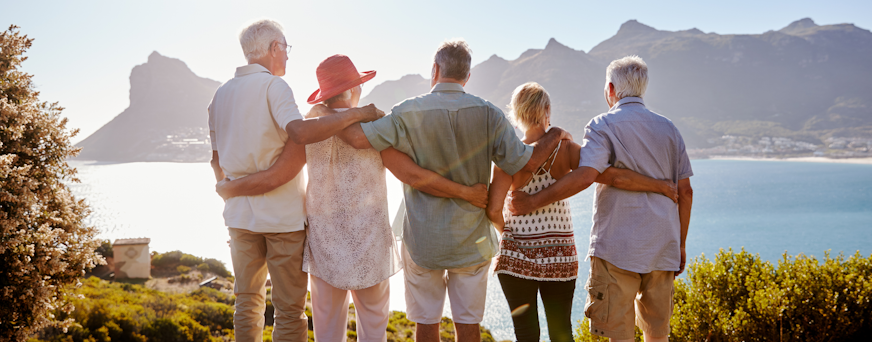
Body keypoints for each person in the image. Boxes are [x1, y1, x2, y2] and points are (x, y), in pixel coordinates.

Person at [217, 54, 489, 342]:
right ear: (351, 90)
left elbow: (280, 174)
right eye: (358, 84)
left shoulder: (309, 127)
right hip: (370, 249)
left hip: (325, 249)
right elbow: (412, 174)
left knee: (328, 333)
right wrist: (463, 190)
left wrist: (232, 189)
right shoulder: (374, 128)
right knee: (373, 332)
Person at [335, 39, 572, 342]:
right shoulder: (490, 114)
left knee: (426, 323)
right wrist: (554, 134)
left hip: (422, 239)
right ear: (467, 76)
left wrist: (327, 113)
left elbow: (356, 139)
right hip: (471, 240)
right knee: (468, 325)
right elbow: (525, 160)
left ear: (435, 69)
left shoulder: (406, 112)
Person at [207, 20, 382, 342]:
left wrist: (229, 189)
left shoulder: (220, 95)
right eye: (285, 48)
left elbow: (216, 160)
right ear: (274, 48)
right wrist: (358, 114)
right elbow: (299, 134)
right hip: (282, 220)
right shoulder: (274, 87)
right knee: (288, 309)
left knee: (246, 302)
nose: (287, 56)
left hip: (239, 217)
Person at [508, 56, 694, 342]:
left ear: (610, 89)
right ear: (642, 88)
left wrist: (533, 202)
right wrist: (680, 244)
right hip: (662, 246)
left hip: (615, 249)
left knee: (617, 334)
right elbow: (685, 191)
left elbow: (588, 175)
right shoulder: (669, 129)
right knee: (658, 334)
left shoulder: (602, 125)